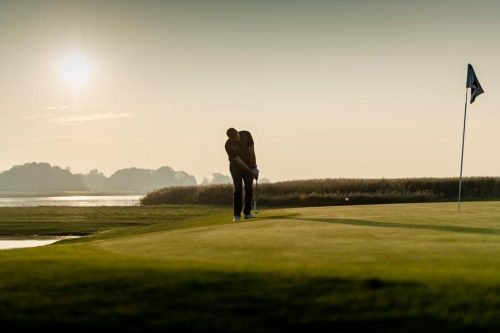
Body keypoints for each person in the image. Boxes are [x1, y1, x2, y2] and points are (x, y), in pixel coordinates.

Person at [225, 128, 259, 222]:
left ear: (237, 132)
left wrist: (254, 168)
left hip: (249, 164)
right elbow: (239, 162)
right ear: (230, 139)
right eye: (235, 139)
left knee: (249, 188)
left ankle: (247, 213)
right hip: (236, 167)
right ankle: (236, 215)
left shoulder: (246, 134)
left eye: (237, 136)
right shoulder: (228, 145)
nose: (237, 139)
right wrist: (251, 171)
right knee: (238, 189)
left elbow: (252, 152)